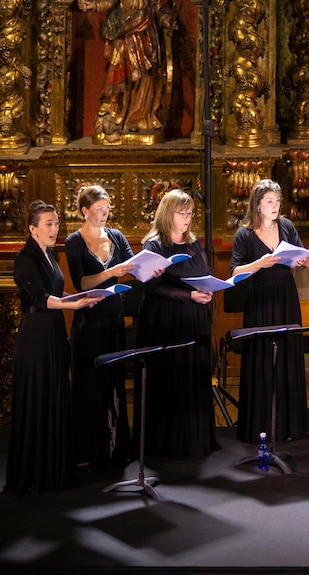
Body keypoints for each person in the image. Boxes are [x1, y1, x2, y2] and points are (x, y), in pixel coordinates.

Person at [6, 201, 103, 494]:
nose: (54, 229)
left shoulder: (50, 253)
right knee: (39, 402)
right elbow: (41, 298)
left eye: (57, 223)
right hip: (35, 340)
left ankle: (54, 470)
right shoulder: (25, 257)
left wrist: (83, 297)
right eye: (48, 224)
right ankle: (35, 475)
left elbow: (57, 292)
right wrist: (74, 304)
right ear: (32, 229)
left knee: (55, 398)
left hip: (54, 334)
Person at [134, 189, 218, 458]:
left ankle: (194, 440)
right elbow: (152, 287)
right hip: (165, 321)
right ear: (168, 214)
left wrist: (208, 288)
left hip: (193, 318)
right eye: (182, 213)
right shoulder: (154, 245)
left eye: (190, 213)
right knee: (169, 380)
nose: (188, 218)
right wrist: (189, 295)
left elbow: (205, 271)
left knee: (192, 377)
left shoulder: (193, 243)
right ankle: (167, 444)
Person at [230, 179, 309, 444]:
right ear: (257, 205)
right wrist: (259, 263)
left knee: (287, 354)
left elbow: (306, 258)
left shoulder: (286, 226)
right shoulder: (244, 234)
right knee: (262, 358)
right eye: (269, 202)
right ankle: (260, 425)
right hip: (260, 299)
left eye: (277, 201)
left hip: (286, 296)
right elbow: (235, 271)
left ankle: (290, 425)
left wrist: (305, 260)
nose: (275, 206)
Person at [65, 185, 136, 470]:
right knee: (89, 386)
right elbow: (81, 282)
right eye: (99, 210)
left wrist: (149, 269)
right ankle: (87, 451)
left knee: (113, 382)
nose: (104, 214)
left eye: (107, 209)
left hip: (113, 320)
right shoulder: (74, 241)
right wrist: (110, 272)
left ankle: (115, 448)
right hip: (89, 323)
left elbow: (132, 266)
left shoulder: (116, 236)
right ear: (85, 211)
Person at [78, 0, 174, 142]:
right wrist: (95, 6)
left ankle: (138, 118)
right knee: (121, 71)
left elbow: (161, 6)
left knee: (144, 76)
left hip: (144, 31)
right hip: (123, 30)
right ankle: (116, 115)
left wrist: (166, 19)